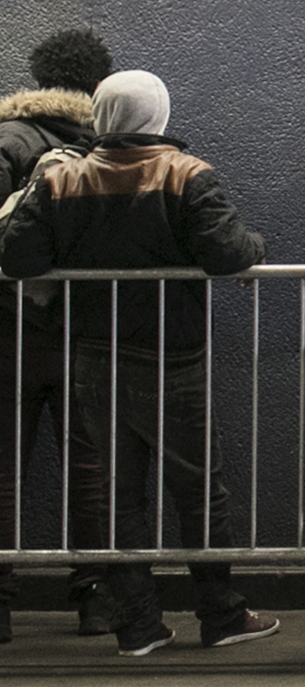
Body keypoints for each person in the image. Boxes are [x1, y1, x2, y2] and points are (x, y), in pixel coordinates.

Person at [0, 70, 277, 656]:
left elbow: (18, 256)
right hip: (172, 358)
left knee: (120, 495)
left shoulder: (62, 178)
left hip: (94, 357)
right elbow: (229, 253)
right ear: (160, 116)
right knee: (199, 490)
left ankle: (138, 626)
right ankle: (220, 614)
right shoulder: (187, 175)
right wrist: (258, 246)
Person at [1, 25, 112, 640]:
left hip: (8, 331)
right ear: (98, 85)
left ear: (39, 80)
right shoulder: (108, 146)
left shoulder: (7, 139)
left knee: (1, 468)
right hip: (86, 331)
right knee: (90, 467)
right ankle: (96, 597)